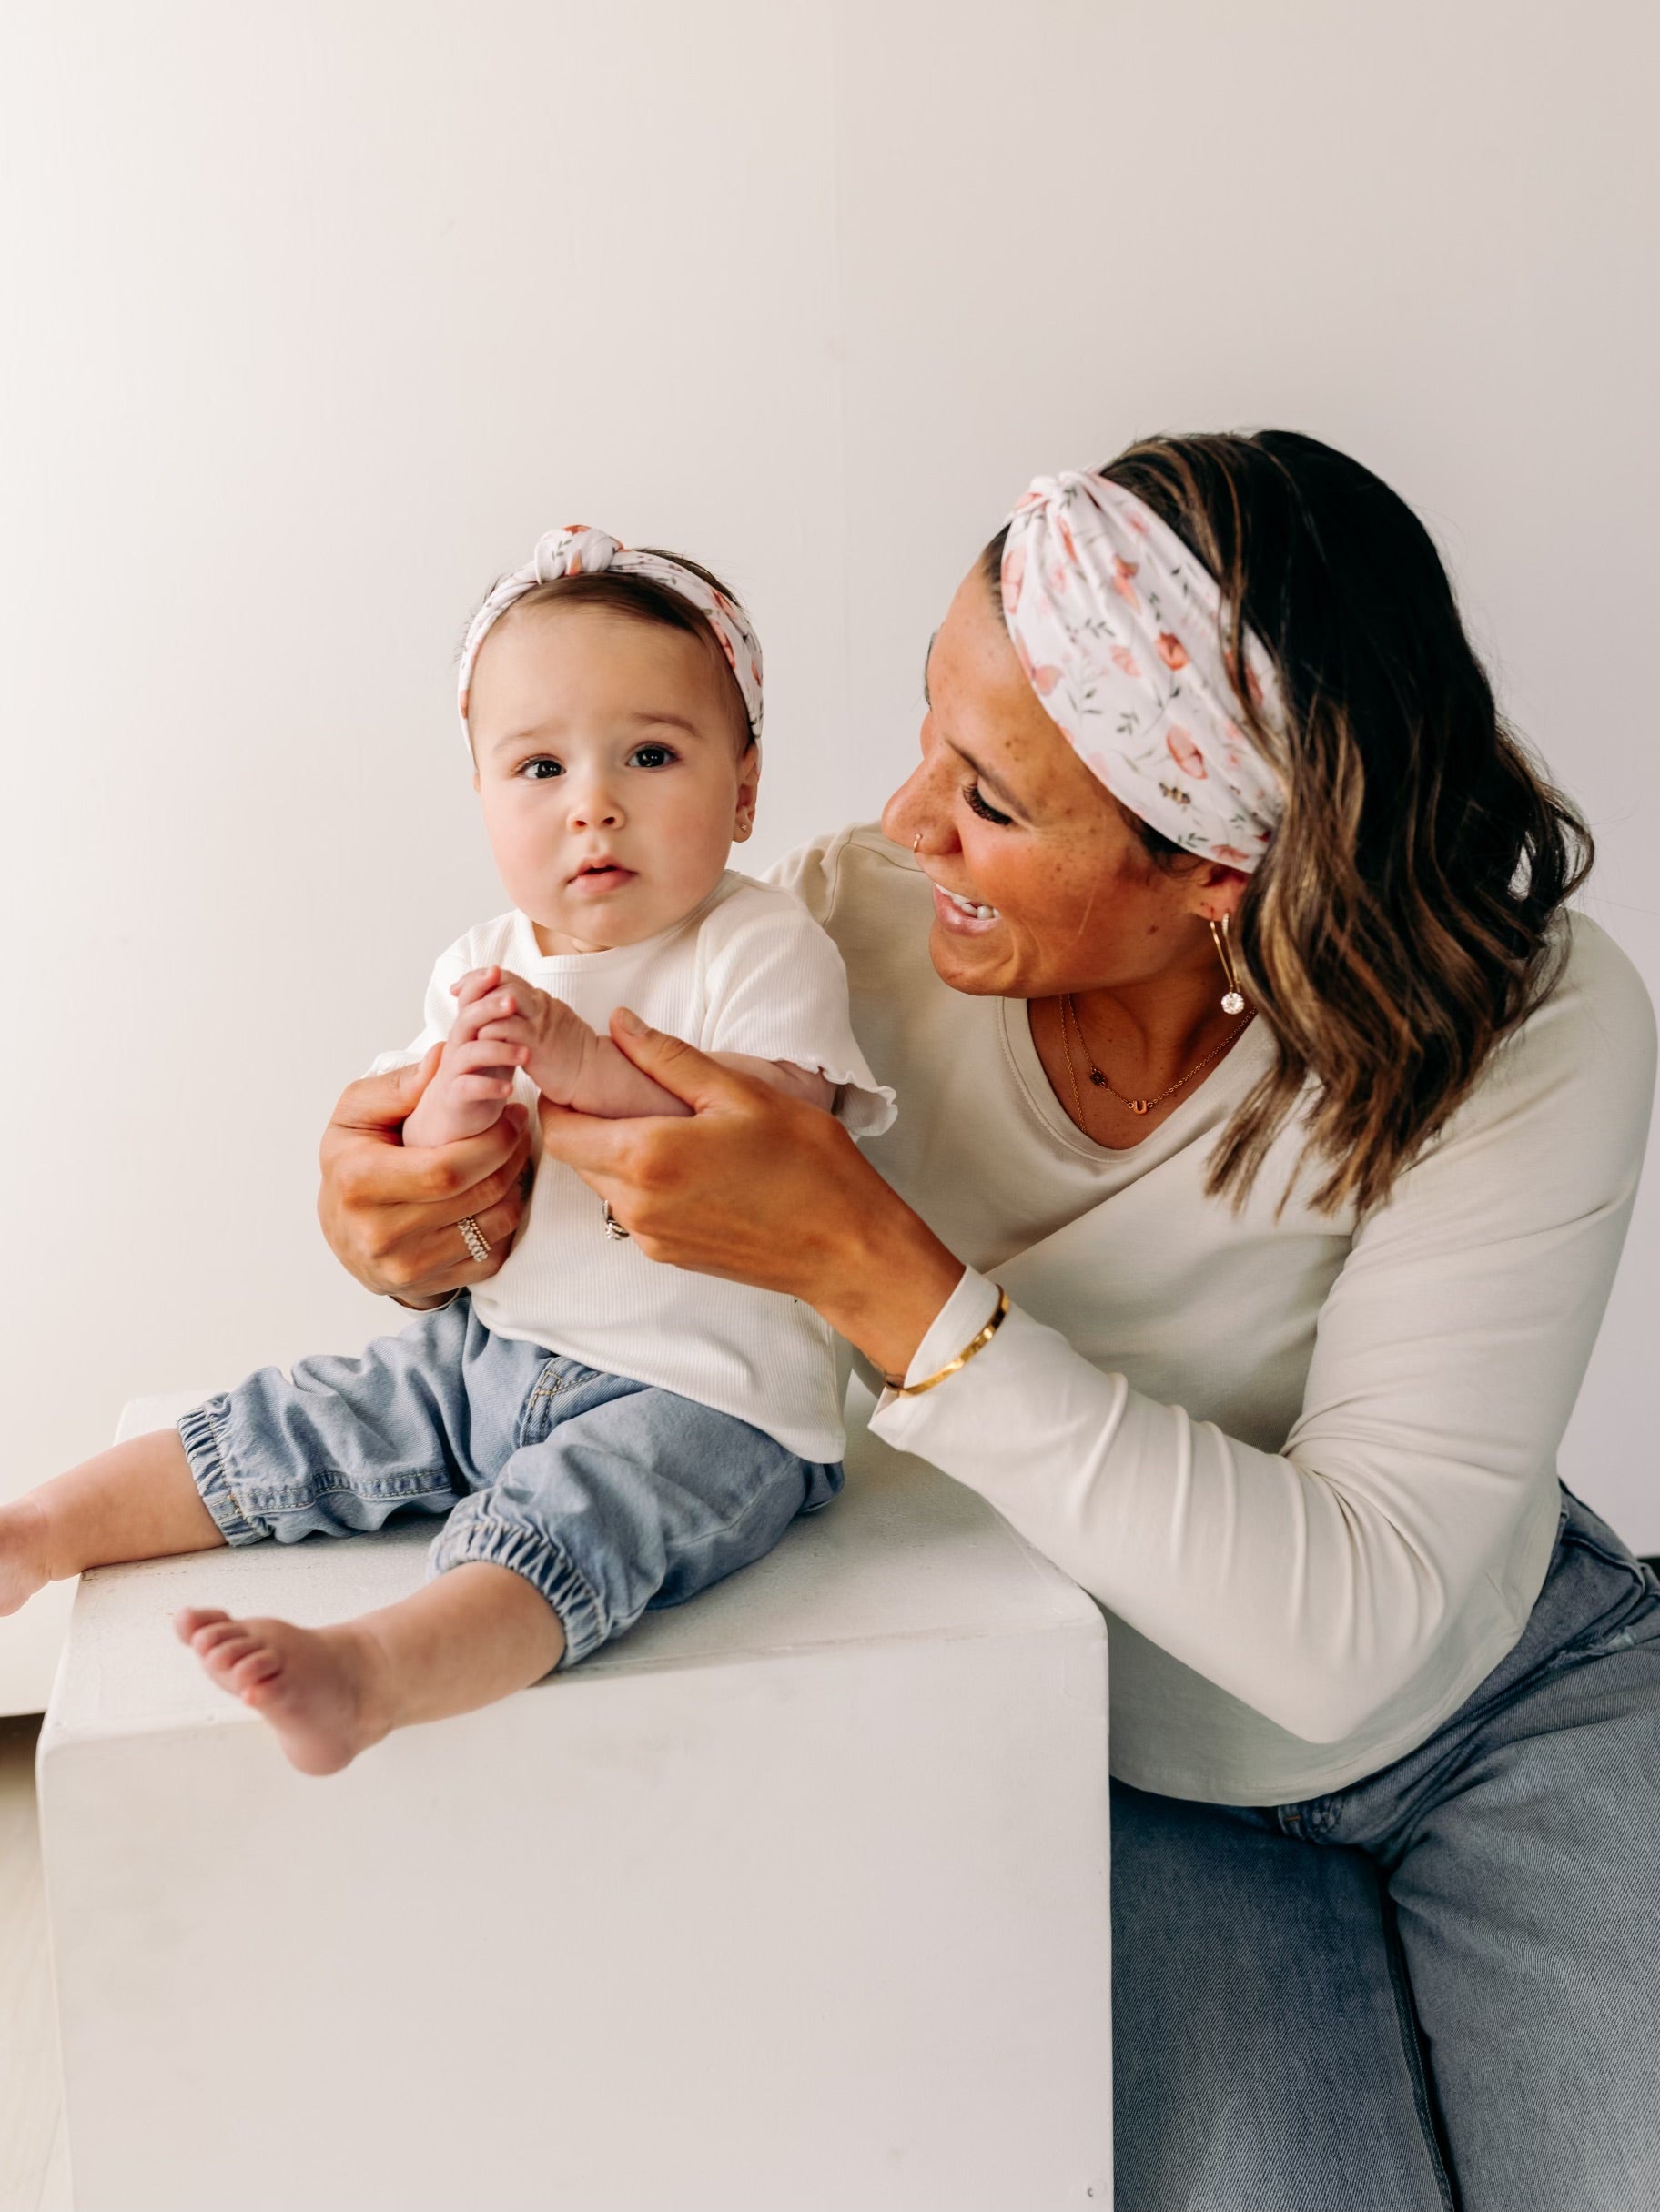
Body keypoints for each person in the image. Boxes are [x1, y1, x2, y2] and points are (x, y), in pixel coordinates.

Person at [319, 432, 1659, 2210]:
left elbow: (1353, 1624)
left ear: (1220, 875)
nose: (900, 818)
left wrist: (875, 1265)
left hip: (1508, 1700)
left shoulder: (1527, 1026)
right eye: (928, 724)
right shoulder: (822, 954)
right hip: (1104, 1751)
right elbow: (595, 1309)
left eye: (996, 801)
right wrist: (415, 1224)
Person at [0, 525, 891, 1775]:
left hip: (708, 1397)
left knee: (580, 1517)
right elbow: (429, 1189)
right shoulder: (482, 964)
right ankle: (36, 1532)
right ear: (479, 795)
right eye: (538, 766)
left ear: (744, 791)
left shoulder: (759, 946)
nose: (595, 803)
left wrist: (580, 1064)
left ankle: (373, 1672)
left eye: (650, 753)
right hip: (493, 1350)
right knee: (305, 1417)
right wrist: (451, 1116)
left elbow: (778, 1132)